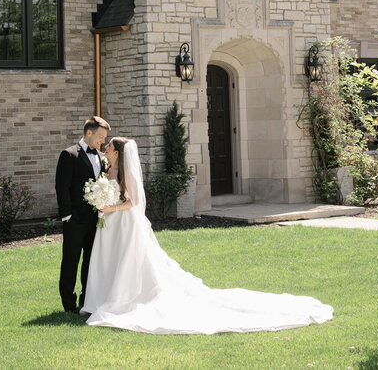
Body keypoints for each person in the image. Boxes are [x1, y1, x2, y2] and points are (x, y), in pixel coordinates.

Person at [81, 137, 333, 334]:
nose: (106, 148)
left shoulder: (126, 174)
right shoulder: (107, 170)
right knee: (109, 260)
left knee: (128, 262)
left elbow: (133, 202)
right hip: (110, 225)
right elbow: (108, 193)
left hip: (125, 224)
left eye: (110, 146)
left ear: (118, 152)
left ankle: (123, 298)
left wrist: (109, 207)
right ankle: (100, 297)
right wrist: (101, 202)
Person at [55, 115, 110, 313]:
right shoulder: (69, 155)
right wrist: (67, 216)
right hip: (75, 220)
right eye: (101, 136)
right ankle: (68, 305)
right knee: (71, 261)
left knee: (90, 262)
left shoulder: (101, 158)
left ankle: (87, 300)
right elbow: (62, 187)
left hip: (95, 220)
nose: (103, 141)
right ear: (89, 132)